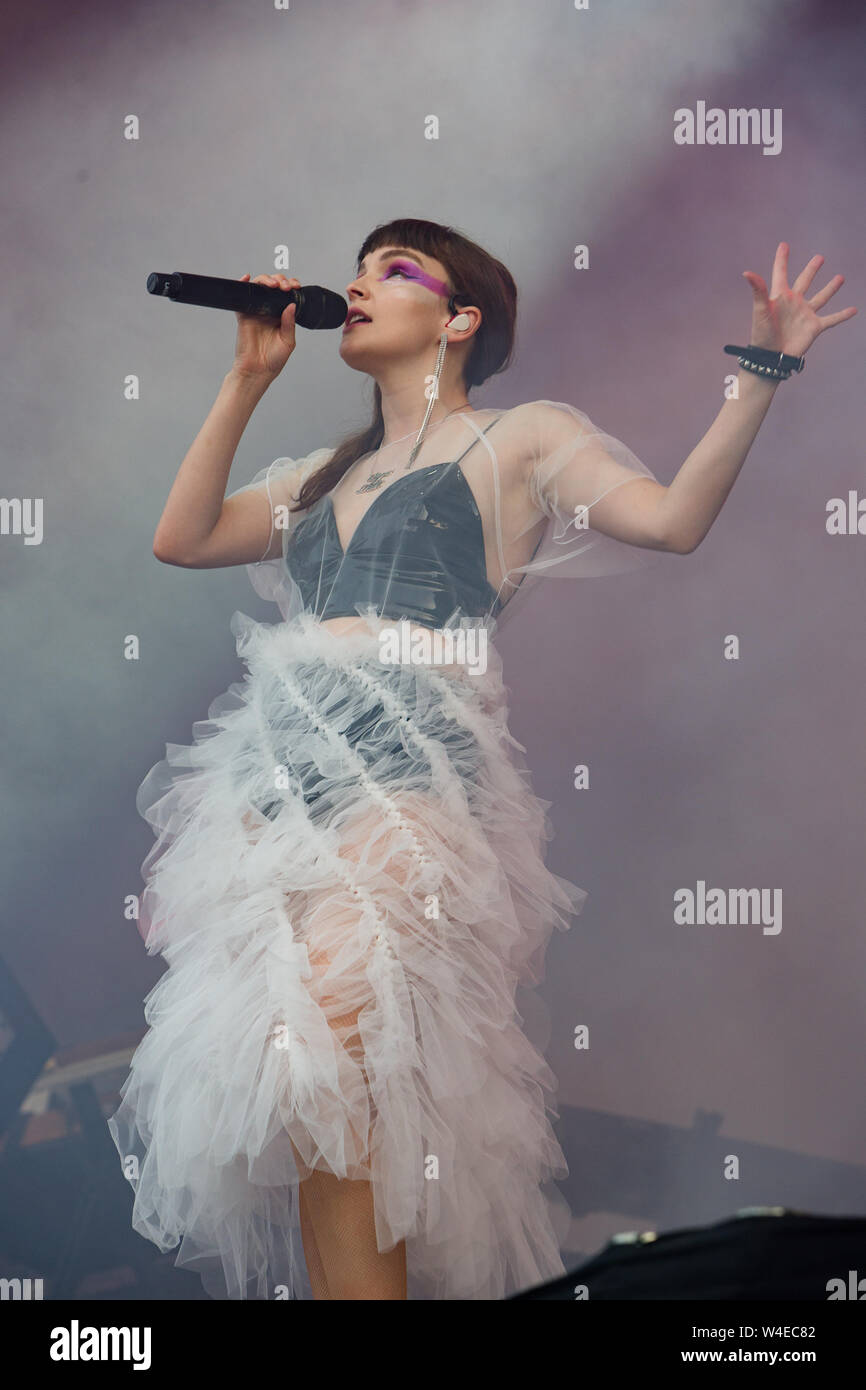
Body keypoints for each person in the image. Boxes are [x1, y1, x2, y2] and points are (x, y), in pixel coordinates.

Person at [107, 219, 855, 1301]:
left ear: (456, 321)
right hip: (273, 799)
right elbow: (181, 537)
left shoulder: (519, 439)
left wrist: (762, 369)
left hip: (402, 783)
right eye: (356, 271)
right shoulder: (320, 474)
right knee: (303, 1101)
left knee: (346, 1054)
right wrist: (246, 377)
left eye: (391, 272)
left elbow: (672, 518)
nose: (357, 287)